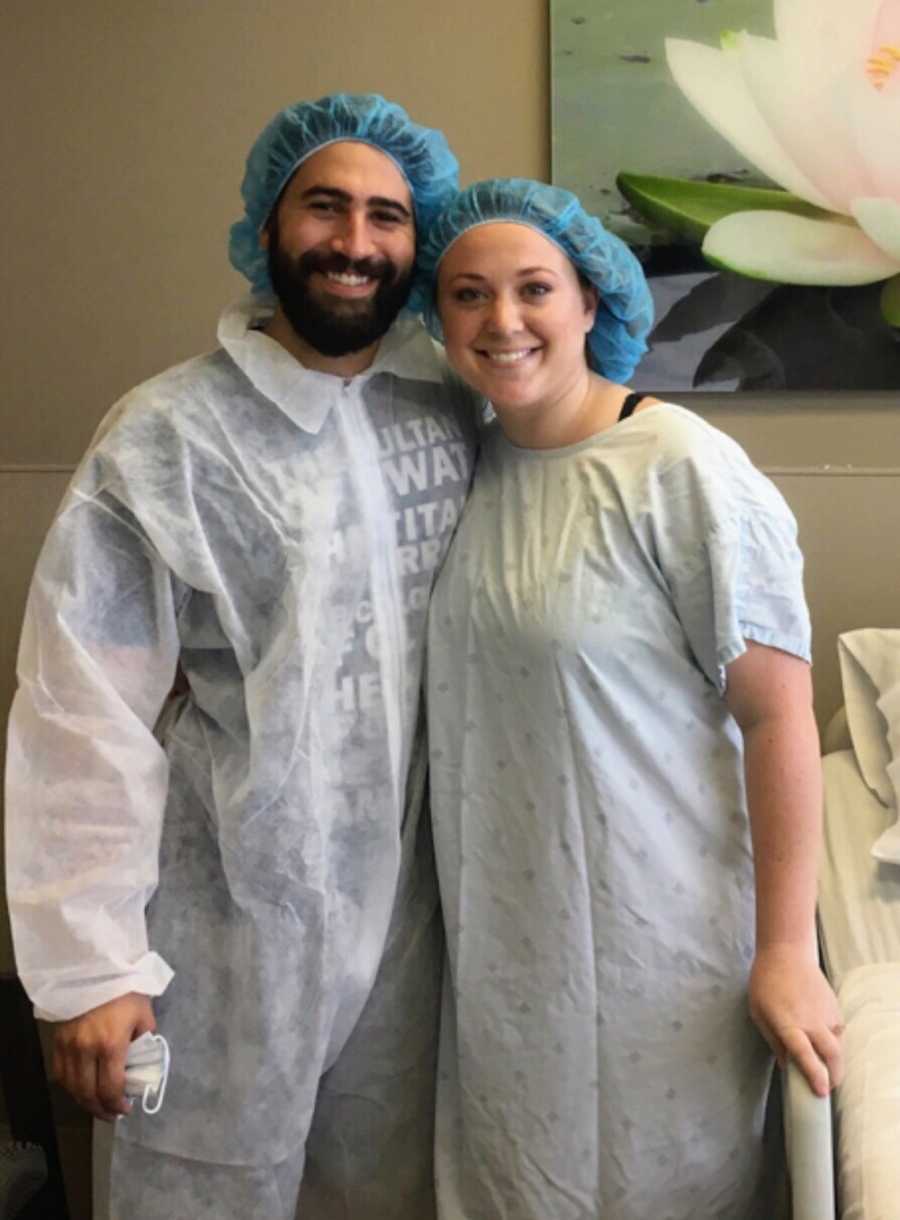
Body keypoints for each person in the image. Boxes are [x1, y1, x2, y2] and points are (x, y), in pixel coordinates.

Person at [4, 94, 477, 1220]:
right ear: (269, 224)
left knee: (390, 1191)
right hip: (229, 936)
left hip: (419, 939)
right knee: (205, 1196)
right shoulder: (170, 435)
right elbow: (83, 703)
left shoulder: (454, 416)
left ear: (419, 243)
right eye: (326, 207)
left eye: (387, 217)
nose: (357, 243)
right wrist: (90, 963)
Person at [412, 179, 844, 1219]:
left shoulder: (682, 468)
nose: (501, 321)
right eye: (468, 294)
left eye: (532, 289)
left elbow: (779, 713)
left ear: (592, 300)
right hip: (506, 951)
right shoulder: (467, 464)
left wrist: (785, 948)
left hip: (661, 950)